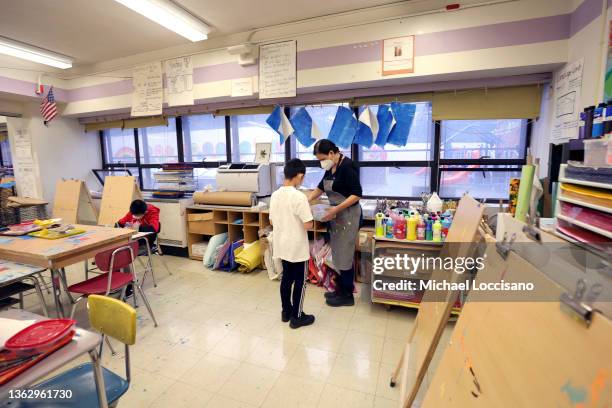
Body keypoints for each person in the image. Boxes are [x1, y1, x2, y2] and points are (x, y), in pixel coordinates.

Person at [308, 140, 362, 307]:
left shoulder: (348, 166)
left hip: (349, 216)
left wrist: (335, 209)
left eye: (322, 158)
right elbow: (320, 188)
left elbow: (357, 194)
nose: (321, 162)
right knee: (337, 254)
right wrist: (306, 200)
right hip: (336, 216)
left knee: (345, 255)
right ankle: (340, 290)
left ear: (332, 153)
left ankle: (347, 295)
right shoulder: (330, 168)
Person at [270, 159, 316, 329]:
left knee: (286, 279)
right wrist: (311, 215)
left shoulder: (275, 194)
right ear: (299, 176)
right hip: (297, 248)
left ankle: (286, 312)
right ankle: (297, 317)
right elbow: (308, 224)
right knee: (301, 281)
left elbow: (271, 220)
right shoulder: (299, 197)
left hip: (282, 245)